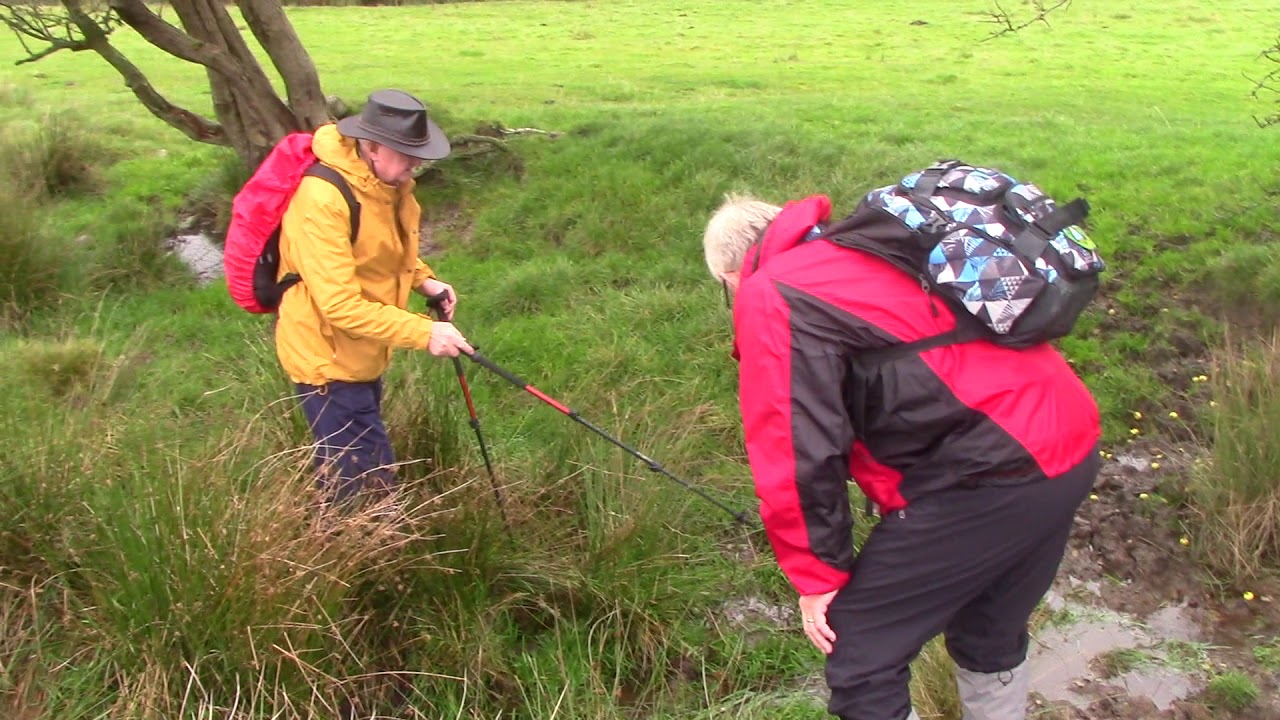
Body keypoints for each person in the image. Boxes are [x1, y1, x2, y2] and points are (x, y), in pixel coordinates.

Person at [702, 192, 1101, 720]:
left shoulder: (772, 292)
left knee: (861, 656)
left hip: (989, 472)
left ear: (732, 274)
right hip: (1069, 442)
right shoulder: (873, 249)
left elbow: (794, 448)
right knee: (989, 630)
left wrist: (818, 576)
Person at [275, 89, 474, 506]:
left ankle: (344, 535)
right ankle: (358, 558)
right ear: (371, 145)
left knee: (351, 470)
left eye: (417, 153)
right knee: (366, 488)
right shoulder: (322, 199)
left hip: (362, 350)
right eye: (406, 153)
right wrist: (425, 333)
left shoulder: (384, 182)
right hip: (327, 360)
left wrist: (424, 280)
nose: (415, 164)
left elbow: (379, 249)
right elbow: (339, 305)